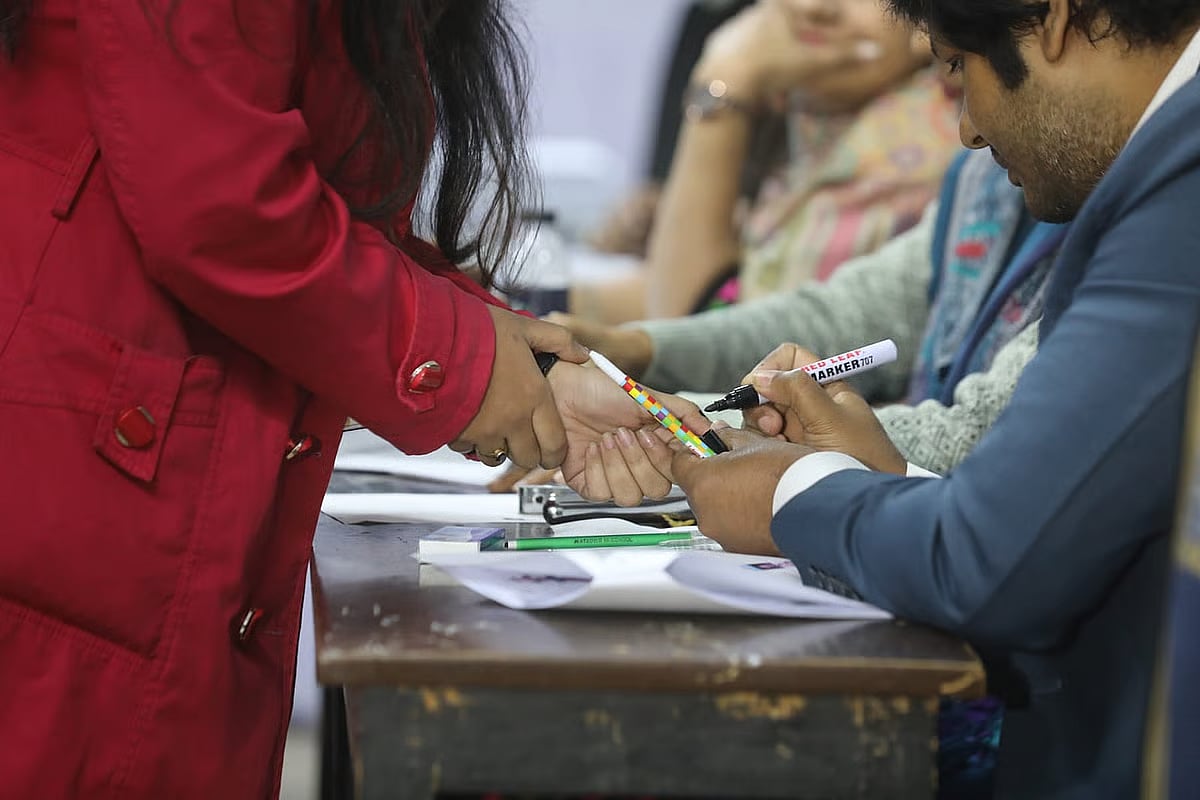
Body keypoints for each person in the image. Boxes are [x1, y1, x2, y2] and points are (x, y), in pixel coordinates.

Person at [0, 2, 701, 796]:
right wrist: (473, 365)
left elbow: (323, 213)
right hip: (71, 469)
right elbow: (222, 201)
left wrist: (534, 373)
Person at [657, 0, 1200, 797]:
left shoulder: (1178, 185)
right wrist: (881, 481)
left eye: (956, 65)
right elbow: (1034, 523)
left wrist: (788, 491)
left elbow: (992, 565)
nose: (970, 130)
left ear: (1050, 20)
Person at [570, 0, 962, 324]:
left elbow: (696, 321)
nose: (812, 7)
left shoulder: (901, 146)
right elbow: (741, 284)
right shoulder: (819, 110)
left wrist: (724, 82)